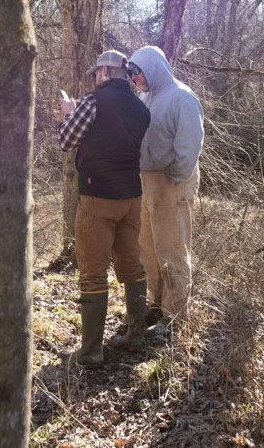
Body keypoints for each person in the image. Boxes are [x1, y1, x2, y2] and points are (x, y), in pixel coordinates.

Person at [57, 50, 152, 366]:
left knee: (94, 272)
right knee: (132, 266)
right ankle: (136, 334)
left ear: (105, 73)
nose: (95, 78)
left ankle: (91, 350)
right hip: (131, 198)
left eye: (97, 72)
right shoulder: (140, 109)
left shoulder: (94, 101)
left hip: (98, 197)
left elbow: (66, 140)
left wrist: (70, 112)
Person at [126, 45, 204, 336]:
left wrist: (177, 176)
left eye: (139, 72)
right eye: (132, 75)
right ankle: (155, 306)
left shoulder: (182, 97)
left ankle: (175, 317)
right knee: (149, 247)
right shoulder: (146, 98)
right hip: (148, 183)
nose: (135, 79)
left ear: (153, 68)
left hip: (172, 182)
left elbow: (191, 143)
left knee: (172, 249)